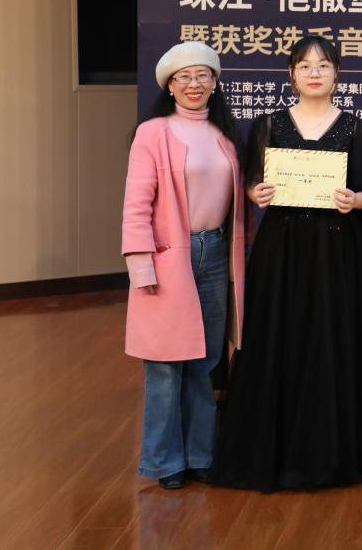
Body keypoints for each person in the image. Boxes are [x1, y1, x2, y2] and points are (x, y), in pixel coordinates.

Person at [209, 35, 362, 491]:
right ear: (291, 74)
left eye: (323, 65)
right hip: (281, 248)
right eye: (305, 66)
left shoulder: (356, 128)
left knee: (333, 338)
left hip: (337, 248)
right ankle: (276, 450)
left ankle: (336, 450)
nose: (314, 73)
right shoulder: (268, 125)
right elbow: (252, 184)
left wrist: (354, 200)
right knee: (278, 338)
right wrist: (256, 193)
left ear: (336, 72)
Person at [122, 41, 247, 490]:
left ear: (215, 83)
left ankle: (200, 455)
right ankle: (164, 462)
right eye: (183, 77)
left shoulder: (225, 134)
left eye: (202, 75)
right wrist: (141, 266)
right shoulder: (153, 132)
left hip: (216, 252)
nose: (194, 84)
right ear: (170, 86)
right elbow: (136, 205)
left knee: (204, 360)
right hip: (168, 257)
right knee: (163, 364)